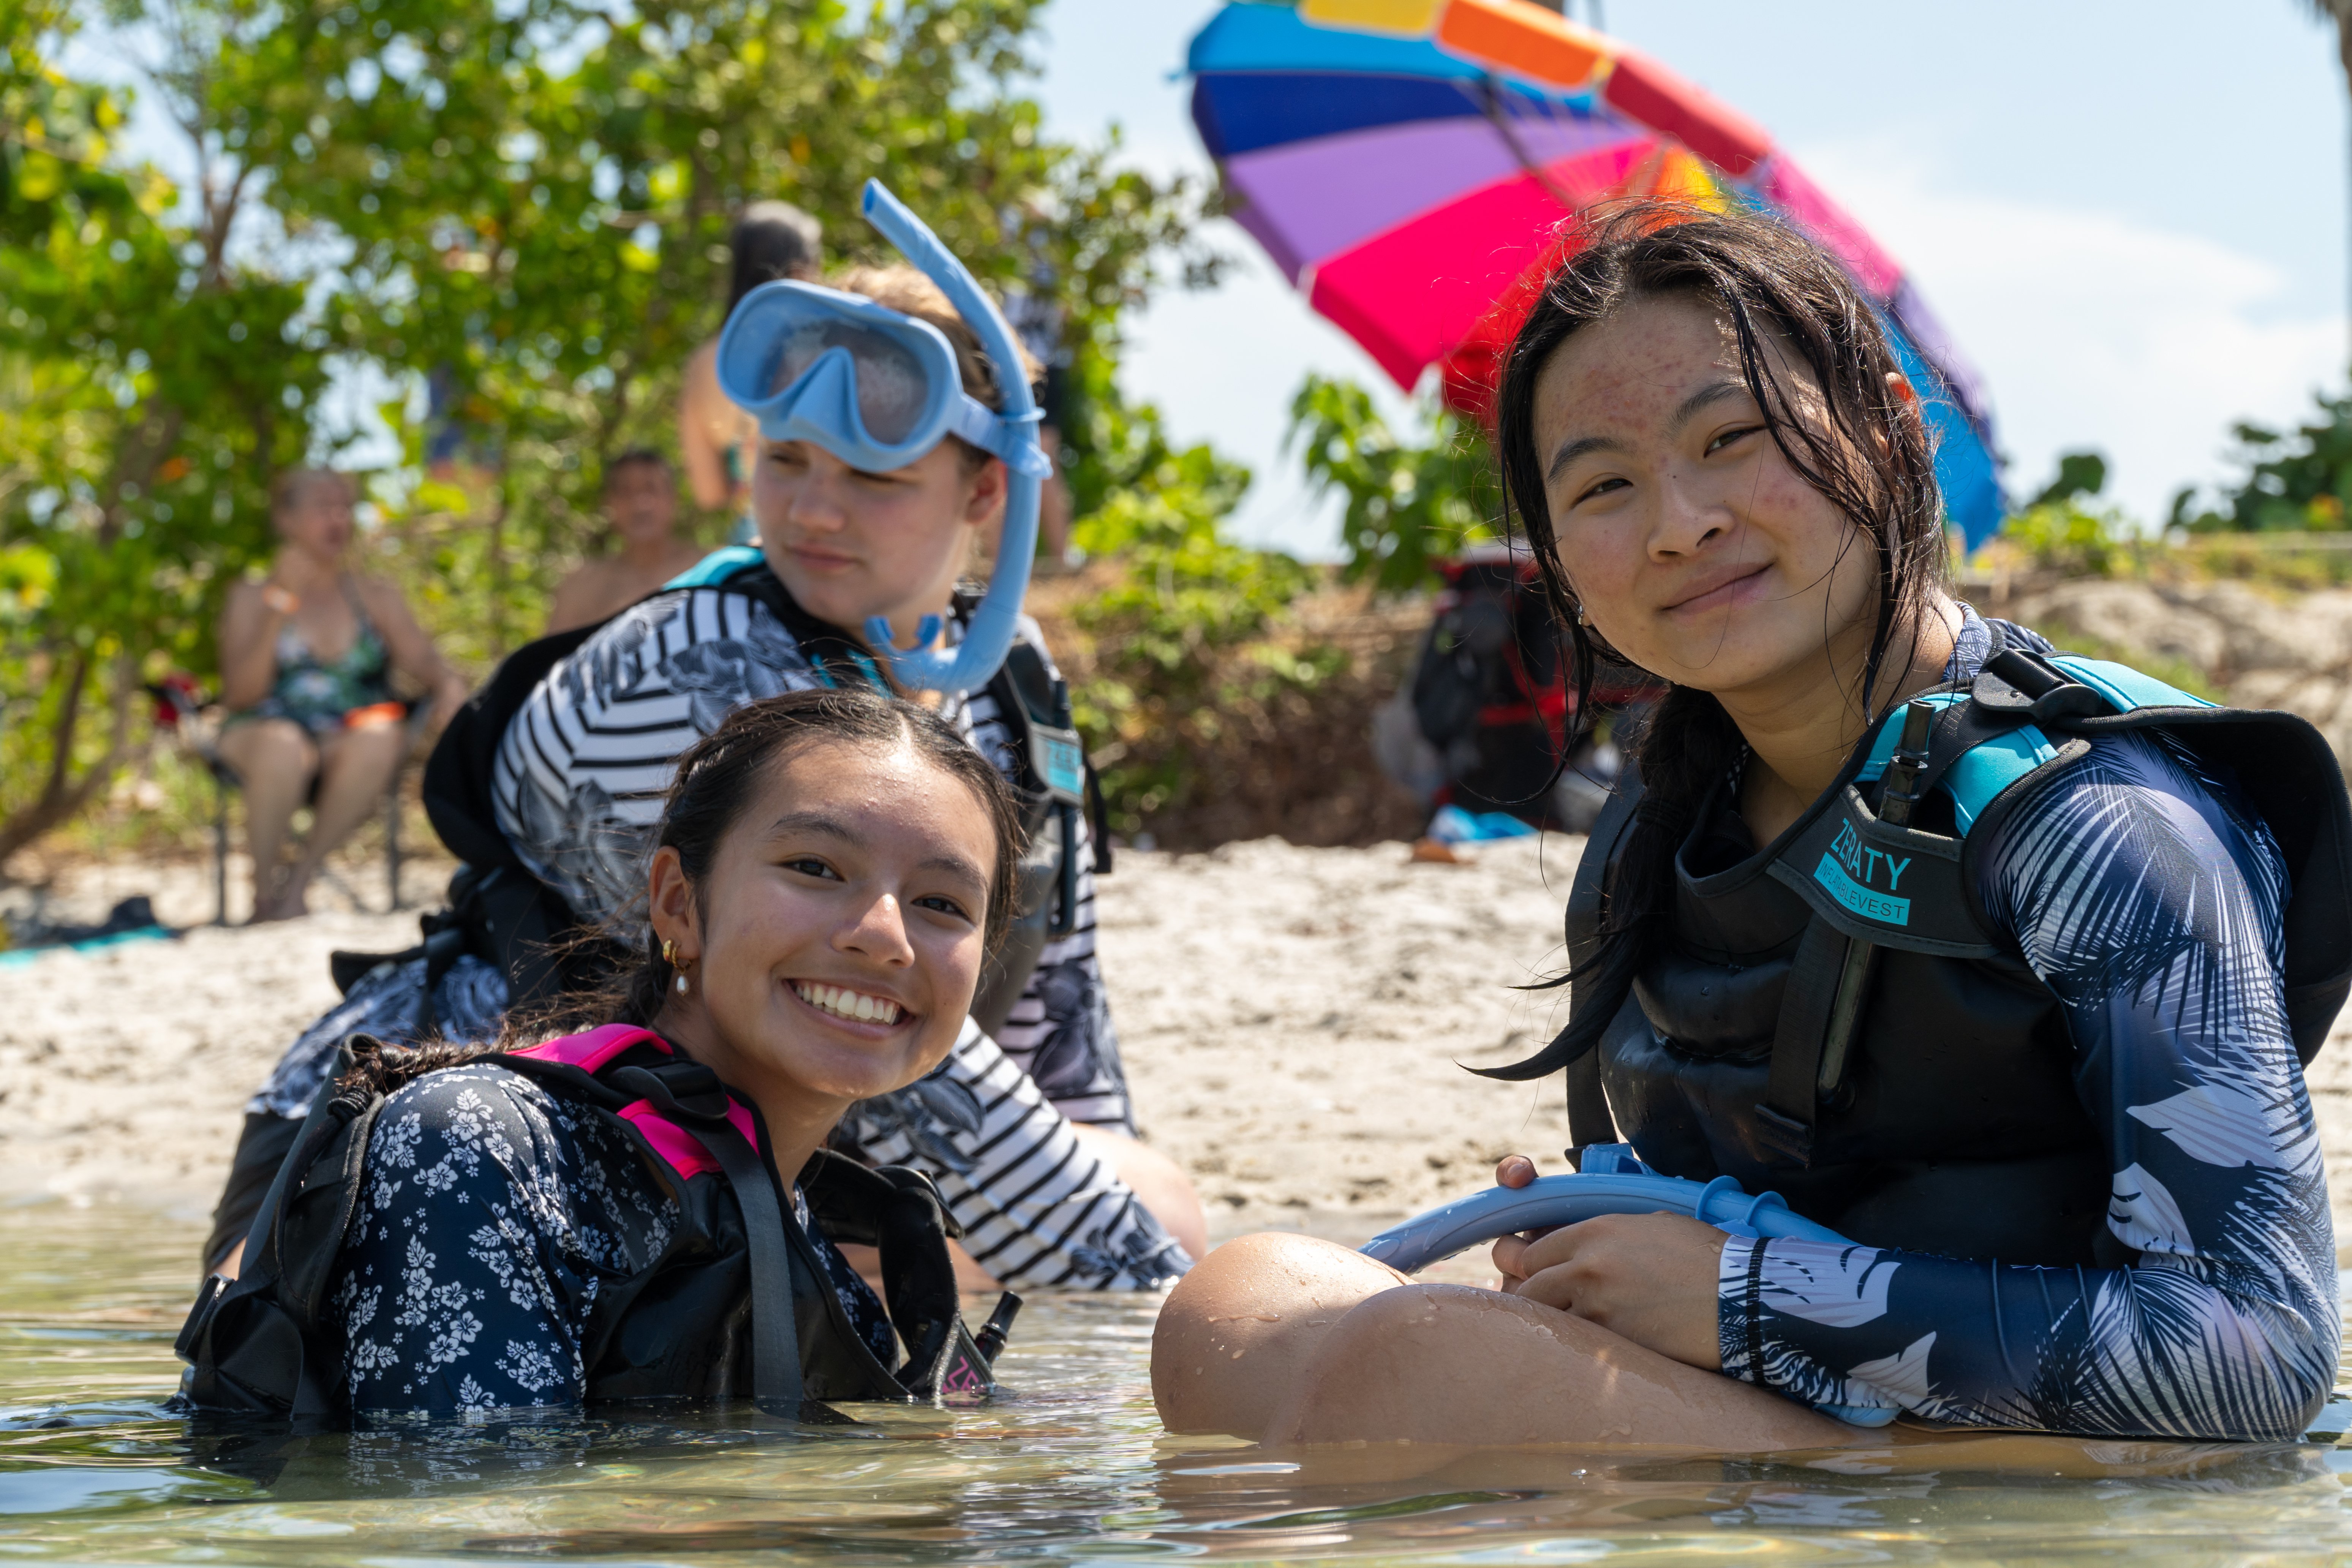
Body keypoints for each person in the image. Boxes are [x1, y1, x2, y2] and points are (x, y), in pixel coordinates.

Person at [1152, 204, 2347, 1449]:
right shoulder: (1667, 812)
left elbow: (2261, 1349)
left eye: (1729, 438)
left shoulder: (2095, 827)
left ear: (1886, 425)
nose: (1678, 523)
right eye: (1606, 483)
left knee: (1418, 1368)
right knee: (1236, 1305)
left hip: (2012, 1459)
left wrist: (1741, 1299)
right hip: (1780, 1396)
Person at [204, 251, 1206, 1298]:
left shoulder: (1016, 689)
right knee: (1114, 1246)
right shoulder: (690, 667)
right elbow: (936, 1097)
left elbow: (1065, 1040)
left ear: (987, 489)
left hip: (762, 1133)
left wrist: (1117, 1309)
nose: (814, 511)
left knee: (1151, 1193)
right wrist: (1161, 1304)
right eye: (786, 462)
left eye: (872, 478)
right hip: (453, 1155)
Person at [182, 689, 1025, 1413]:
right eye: (814, 865)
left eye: (943, 904)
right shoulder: (480, 1146)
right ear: (678, 904)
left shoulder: (815, 1268)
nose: (884, 938)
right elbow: (469, 1514)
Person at [215, 469, 469, 922]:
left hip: (344, 734)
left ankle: (299, 882)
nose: (336, 518)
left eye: (343, 507)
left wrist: (449, 686)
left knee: (380, 733)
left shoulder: (375, 595)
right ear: (286, 520)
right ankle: (262, 896)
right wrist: (281, 604)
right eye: (321, 507)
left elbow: (426, 661)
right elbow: (240, 696)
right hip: (261, 732)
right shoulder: (251, 596)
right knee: (283, 746)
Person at [679, 202, 823, 542]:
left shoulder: (704, 364)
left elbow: (709, 493)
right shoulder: (828, 350)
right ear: (802, 271)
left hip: (751, 550)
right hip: (822, 536)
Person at [544, 449, 707, 634]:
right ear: (609, 503)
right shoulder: (581, 587)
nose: (640, 503)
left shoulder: (710, 571)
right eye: (626, 491)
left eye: (651, 489)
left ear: (674, 498)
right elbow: (553, 659)